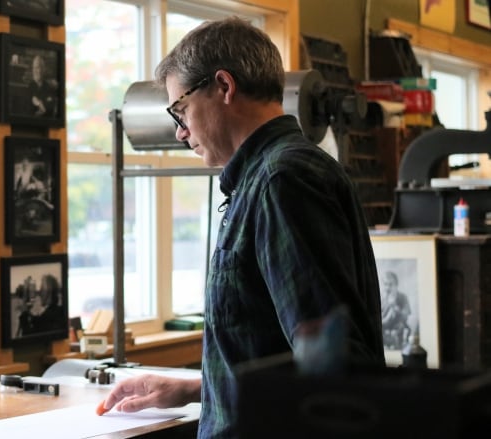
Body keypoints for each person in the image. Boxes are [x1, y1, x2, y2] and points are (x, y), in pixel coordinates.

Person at [98, 17, 385, 438]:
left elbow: (330, 364)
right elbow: (276, 353)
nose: (180, 132)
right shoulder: (270, 177)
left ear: (224, 87)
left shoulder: (282, 181)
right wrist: (194, 388)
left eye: (181, 109)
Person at [380, 271, 412, 349]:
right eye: (385, 284)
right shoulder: (380, 297)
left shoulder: (402, 297)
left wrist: (394, 306)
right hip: (383, 329)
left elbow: (406, 314)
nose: (388, 288)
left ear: (396, 285)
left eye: (391, 284)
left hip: (398, 329)